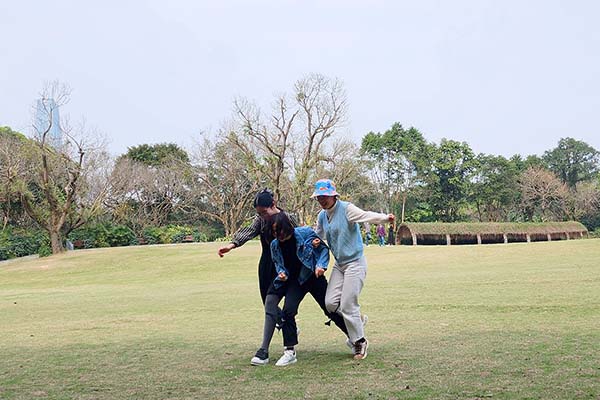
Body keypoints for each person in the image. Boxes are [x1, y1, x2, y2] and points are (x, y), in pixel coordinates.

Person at [312, 179, 395, 360]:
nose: (322, 200)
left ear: (334, 196)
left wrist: (385, 218)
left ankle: (360, 342)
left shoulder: (346, 209)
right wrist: (315, 240)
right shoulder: (322, 215)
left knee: (348, 304)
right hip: (339, 264)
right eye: (319, 197)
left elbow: (366, 216)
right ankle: (357, 320)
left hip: (355, 263)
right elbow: (318, 234)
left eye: (325, 196)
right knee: (330, 304)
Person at [253, 212, 349, 366]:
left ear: (287, 227)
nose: (278, 235)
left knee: (329, 308)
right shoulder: (275, 244)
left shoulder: (305, 233)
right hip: (295, 281)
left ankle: (354, 337)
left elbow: (323, 249)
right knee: (287, 310)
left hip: (312, 275)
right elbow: (278, 263)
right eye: (274, 232)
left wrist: (321, 266)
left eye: (280, 231)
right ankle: (288, 352)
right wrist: (282, 272)